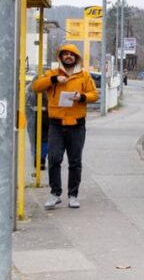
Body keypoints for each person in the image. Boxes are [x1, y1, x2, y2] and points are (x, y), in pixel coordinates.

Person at [32, 44, 99, 210]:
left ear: (76, 57)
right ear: (60, 57)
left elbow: (94, 94)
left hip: (77, 124)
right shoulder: (52, 74)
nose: (68, 56)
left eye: (72, 54)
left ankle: (73, 195)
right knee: (54, 159)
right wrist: (54, 80)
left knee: (75, 161)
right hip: (56, 124)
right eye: (65, 54)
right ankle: (55, 194)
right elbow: (36, 87)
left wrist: (81, 97)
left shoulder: (84, 75)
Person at [25, 80, 48, 171]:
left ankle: (38, 159)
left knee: (35, 141)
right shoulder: (46, 92)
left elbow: (26, 107)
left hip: (37, 121)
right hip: (43, 120)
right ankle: (40, 159)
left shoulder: (30, 93)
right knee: (44, 140)